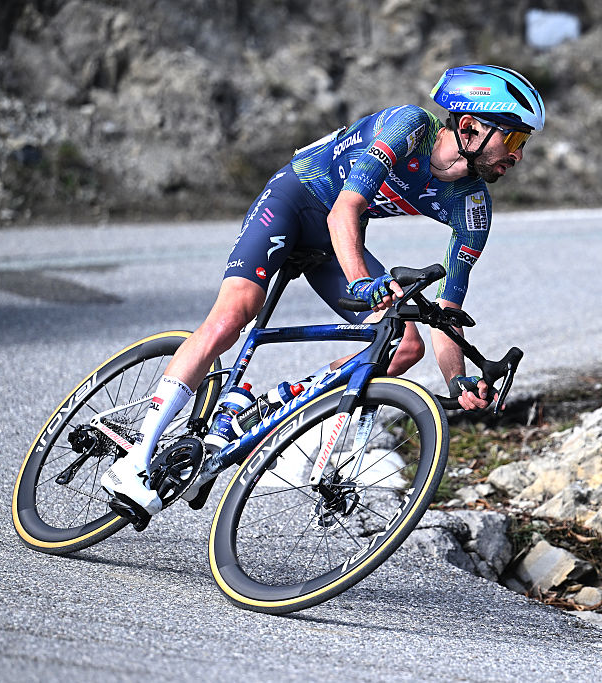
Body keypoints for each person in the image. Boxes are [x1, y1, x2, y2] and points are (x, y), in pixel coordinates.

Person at [100, 64, 546, 519]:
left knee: (404, 345)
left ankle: (269, 405)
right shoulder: (410, 127)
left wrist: (458, 380)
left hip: (333, 241)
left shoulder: (472, 206)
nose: (519, 155)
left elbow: (448, 311)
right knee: (237, 312)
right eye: (512, 140)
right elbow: (344, 210)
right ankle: (138, 456)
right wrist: (361, 282)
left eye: (523, 143)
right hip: (294, 202)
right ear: (469, 127)